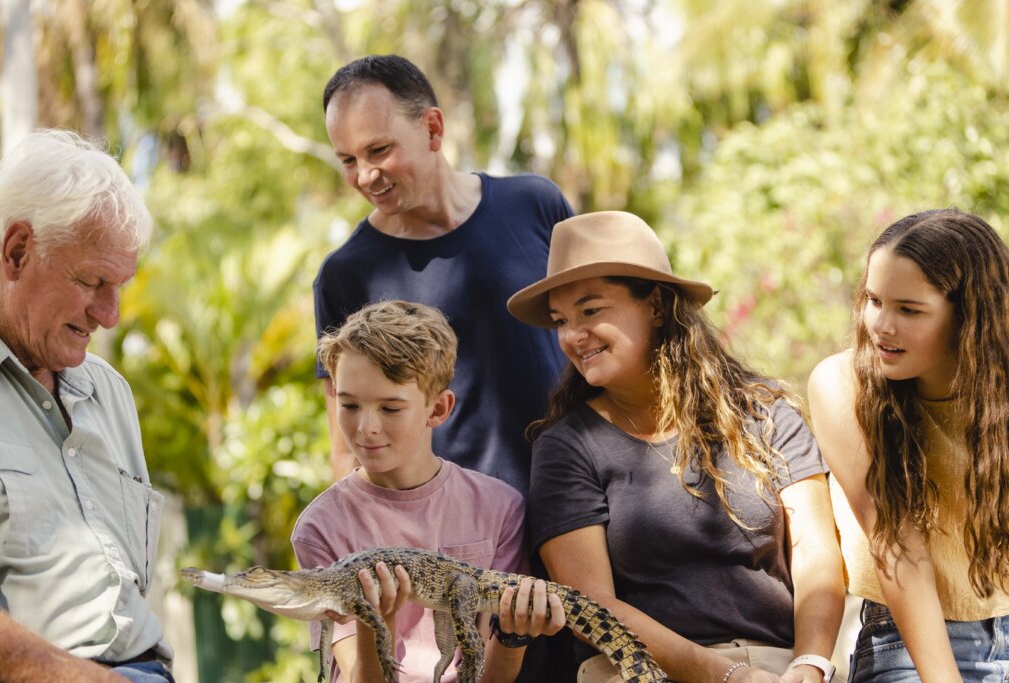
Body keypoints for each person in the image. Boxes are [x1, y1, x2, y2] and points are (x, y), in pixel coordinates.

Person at [507, 211, 845, 683]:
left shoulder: (763, 413)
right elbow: (592, 606)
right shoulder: (567, 445)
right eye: (561, 321)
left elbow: (816, 548)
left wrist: (810, 664)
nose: (571, 336)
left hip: (781, 667)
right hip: (636, 670)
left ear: (658, 307)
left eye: (591, 311)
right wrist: (726, 677)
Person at [313, 54, 574, 494]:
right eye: (348, 160)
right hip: (451, 540)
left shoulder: (535, 204)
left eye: (378, 150)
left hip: (573, 504)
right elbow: (347, 449)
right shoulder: (345, 275)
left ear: (433, 129)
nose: (365, 175)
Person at [292, 300, 566, 683]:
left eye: (390, 409)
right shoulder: (320, 527)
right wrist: (377, 623)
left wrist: (514, 635)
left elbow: (492, 675)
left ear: (437, 409)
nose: (365, 427)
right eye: (350, 404)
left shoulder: (500, 507)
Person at [0, 130, 173, 683]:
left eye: (120, 286)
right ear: (17, 251)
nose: (110, 315)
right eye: (93, 281)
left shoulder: (110, 392)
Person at [808, 208, 1009, 682]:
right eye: (874, 300)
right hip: (911, 642)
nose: (881, 325)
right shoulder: (843, 386)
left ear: (968, 316)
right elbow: (899, 548)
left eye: (909, 310)